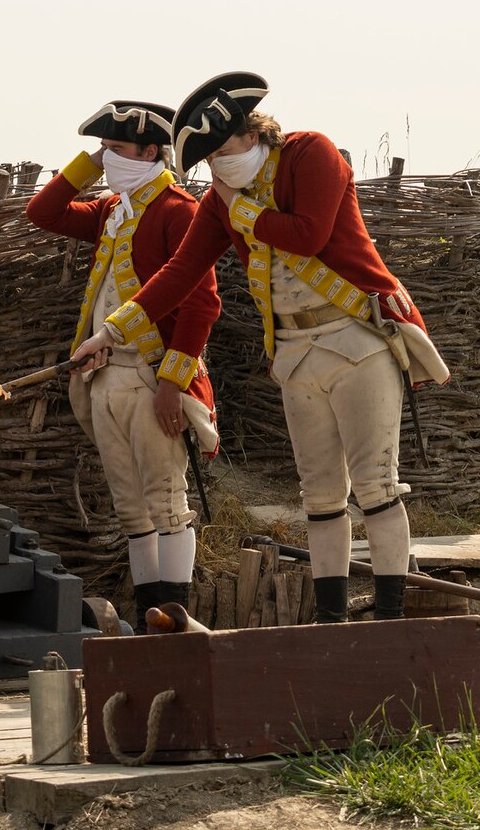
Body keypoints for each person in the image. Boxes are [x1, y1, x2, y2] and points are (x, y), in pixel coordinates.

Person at [73, 73, 449, 623]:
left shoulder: (309, 153)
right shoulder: (224, 196)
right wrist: (112, 330)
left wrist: (238, 208)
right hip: (295, 352)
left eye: (222, 152)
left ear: (252, 134)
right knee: (319, 496)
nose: (219, 170)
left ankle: (391, 615)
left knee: (376, 484)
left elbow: (308, 235)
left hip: (357, 338)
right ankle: (331, 619)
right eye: (209, 163)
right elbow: (182, 272)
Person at [26, 101, 221, 627]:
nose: (107, 159)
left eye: (116, 149)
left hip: (152, 374)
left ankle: (176, 617)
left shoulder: (177, 210)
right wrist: (87, 164)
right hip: (104, 379)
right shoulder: (114, 209)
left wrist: (172, 381)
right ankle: (150, 613)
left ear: (150, 152)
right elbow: (41, 212)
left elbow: (202, 301)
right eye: (104, 150)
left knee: (166, 502)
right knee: (131, 510)